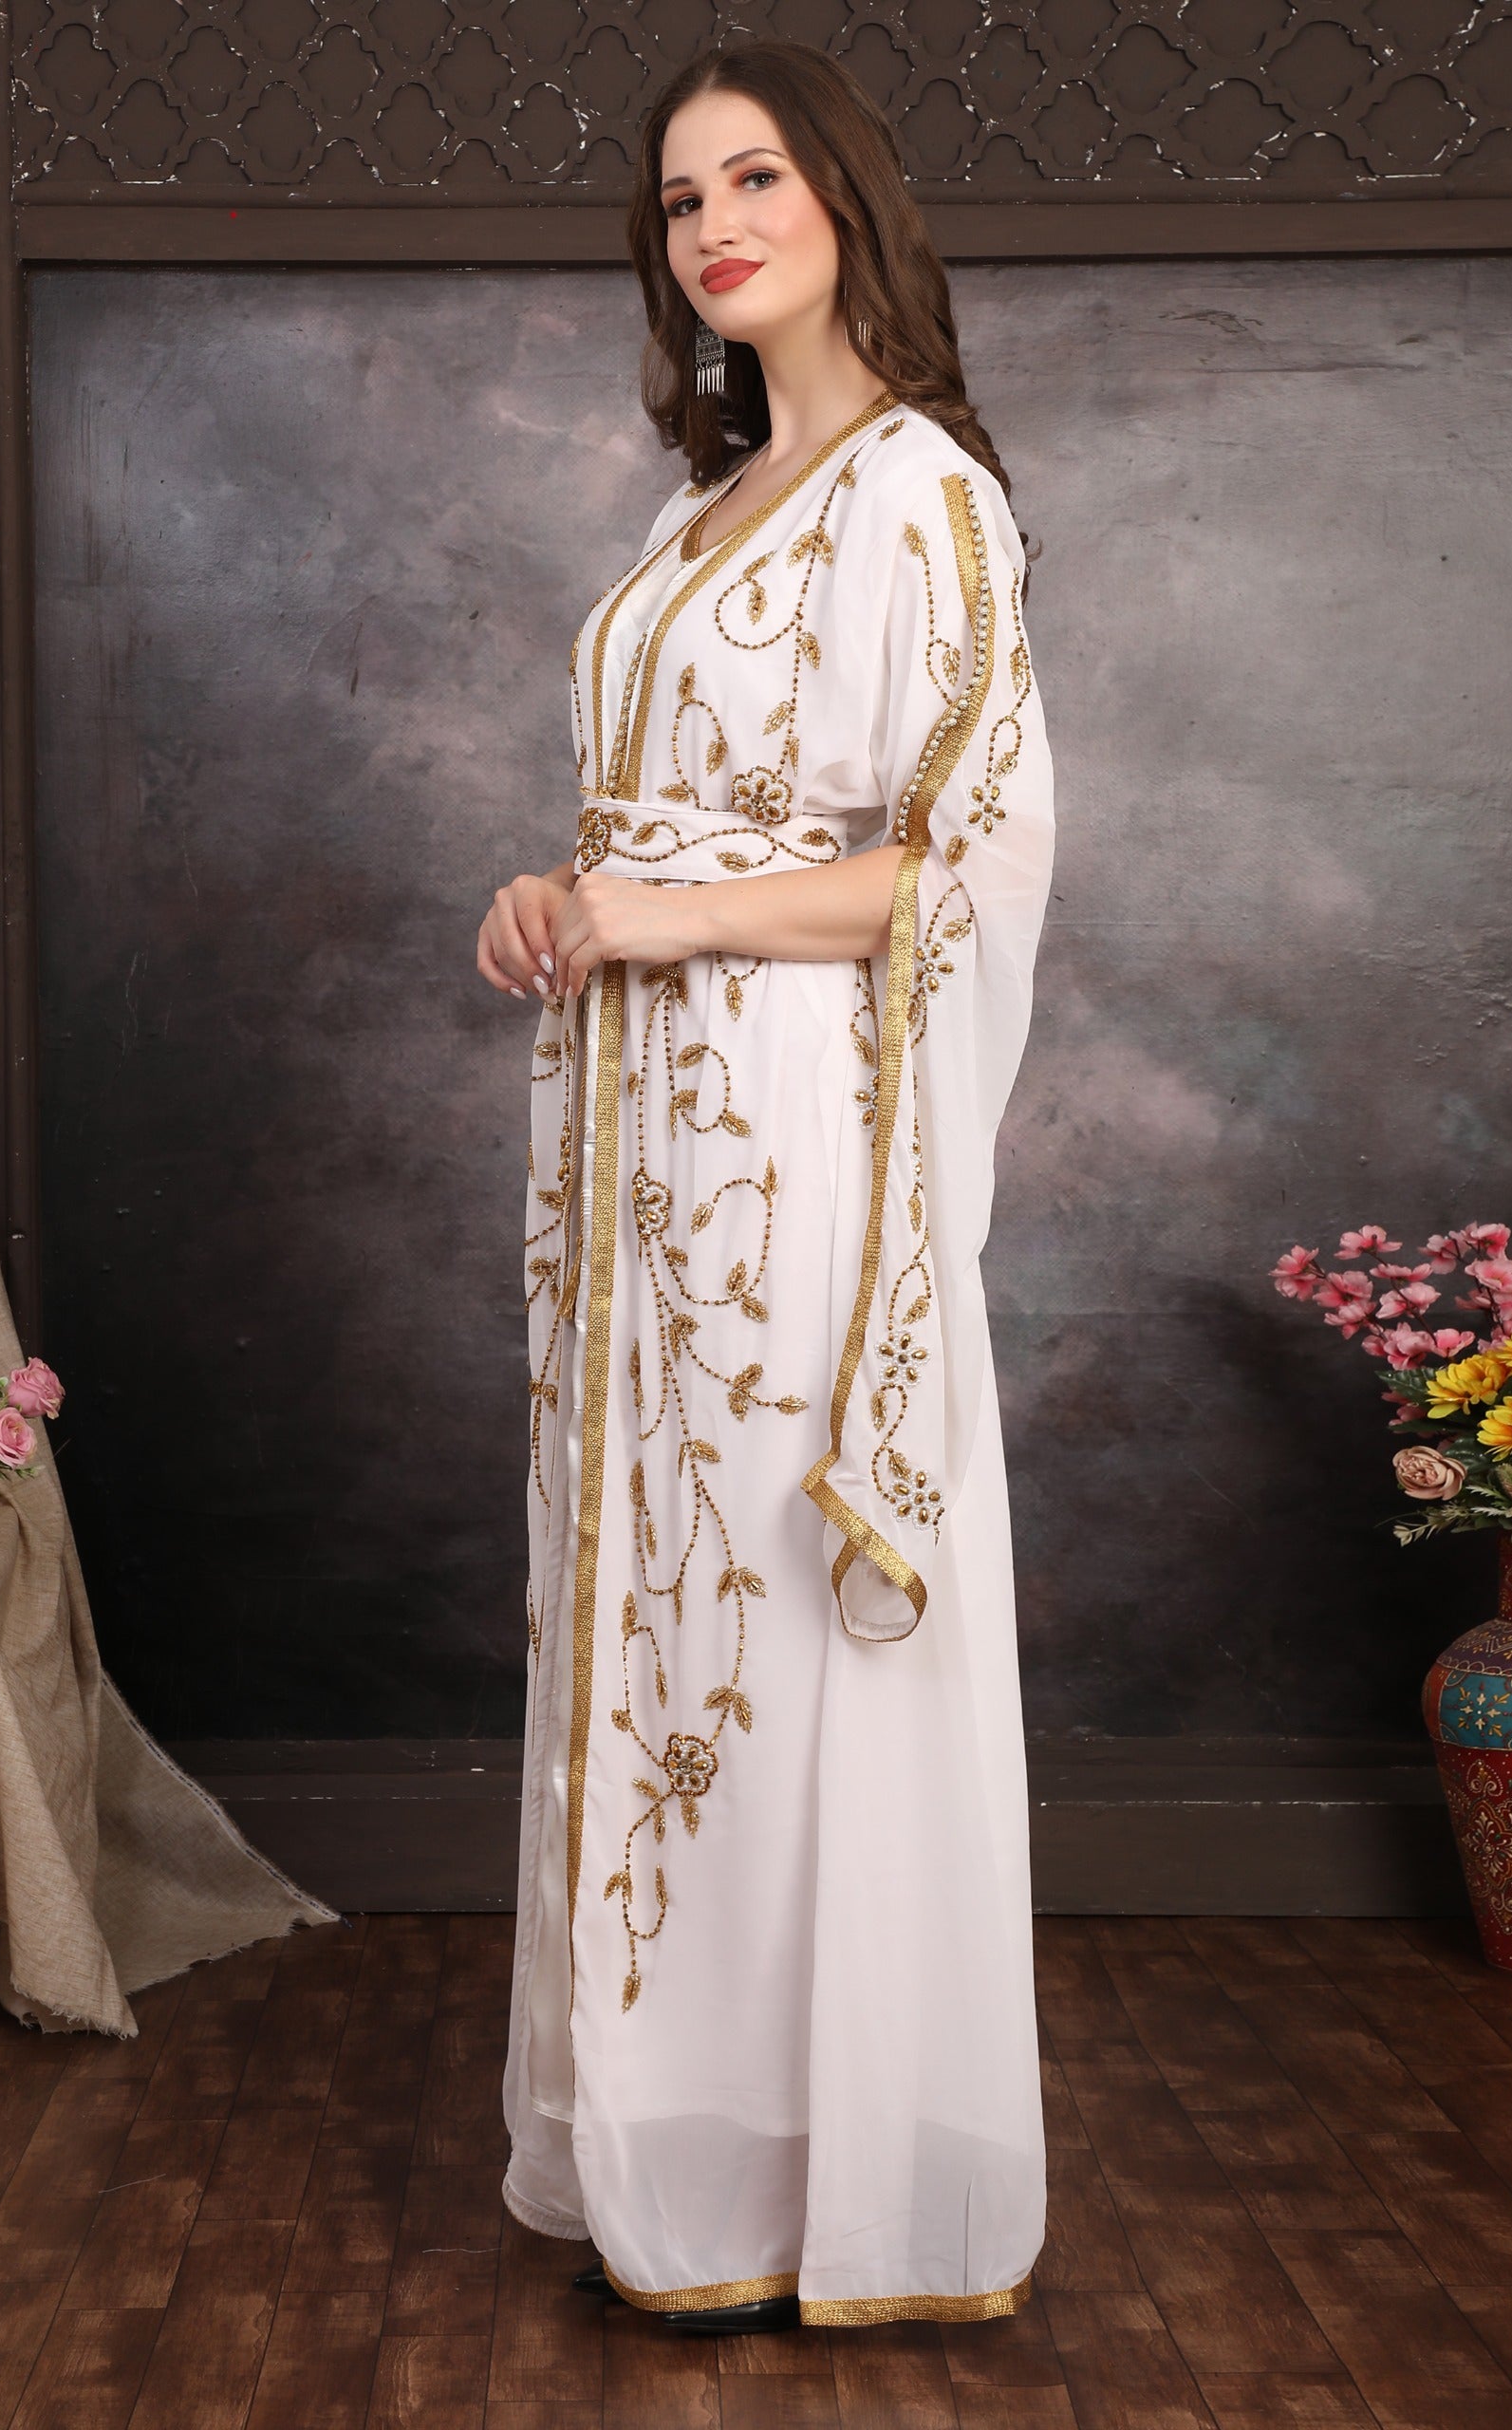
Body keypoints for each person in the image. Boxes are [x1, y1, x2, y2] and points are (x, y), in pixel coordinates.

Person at [477, 37, 1055, 2335]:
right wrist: (556, 895)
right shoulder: (692, 509)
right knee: (651, 1610)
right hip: (637, 1145)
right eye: (681, 193)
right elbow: (656, 832)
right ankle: (683, 2141)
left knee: (784, 1620)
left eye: (758, 175)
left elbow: (966, 857)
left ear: (845, 200)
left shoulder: (920, 489)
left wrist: (671, 916)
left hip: (792, 1140)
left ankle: (836, 2170)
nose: (714, 220)